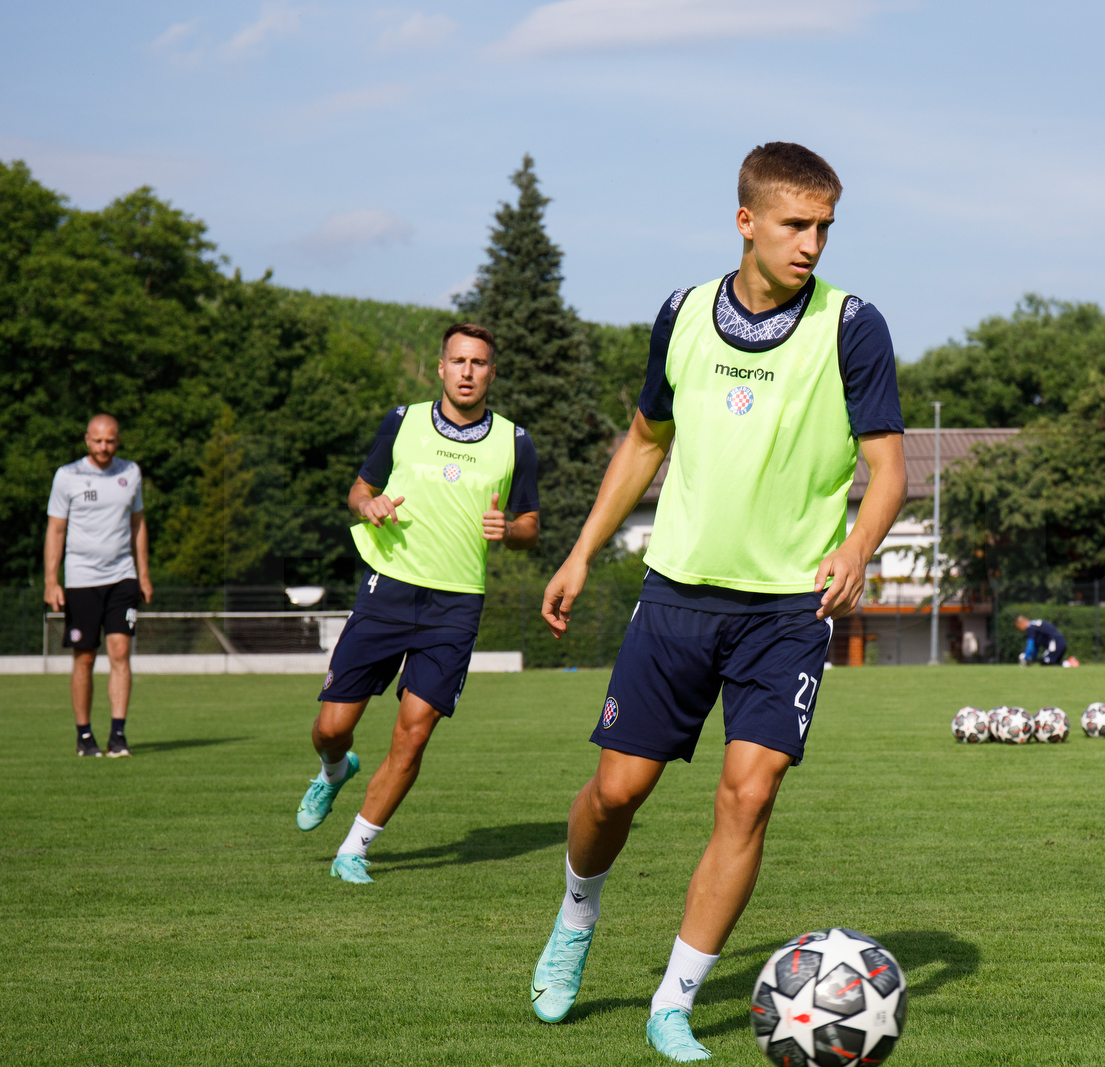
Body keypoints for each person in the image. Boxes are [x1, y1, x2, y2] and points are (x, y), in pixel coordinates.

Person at [531, 143, 907, 1062]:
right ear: (747, 222)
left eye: (825, 226)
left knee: (749, 792)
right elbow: (644, 441)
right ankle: (577, 914)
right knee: (618, 792)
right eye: (795, 224)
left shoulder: (852, 325)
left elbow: (888, 468)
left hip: (788, 609)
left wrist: (858, 545)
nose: (812, 243)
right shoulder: (683, 313)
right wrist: (580, 552)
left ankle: (674, 1000)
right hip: (677, 597)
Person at [292, 323, 540, 884]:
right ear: (441, 368)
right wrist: (368, 505)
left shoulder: (515, 441)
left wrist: (513, 530)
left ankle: (354, 849)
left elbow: (530, 526)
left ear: (492, 373)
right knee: (332, 727)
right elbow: (359, 488)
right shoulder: (401, 422)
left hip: (456, 605)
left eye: (479, 363)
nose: (468, 372)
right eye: (458, 361)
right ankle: (333, 771)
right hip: (389, 588)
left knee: (414, 730)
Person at [44, 414, 152, 758]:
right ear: (87, 440)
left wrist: (144, 575)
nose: (104, 447)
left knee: (120, 652)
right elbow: (56, 530)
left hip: (122, 576)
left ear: (117, 440)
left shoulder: (130, 473)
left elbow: (138, 525)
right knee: (85, 657)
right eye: (98, 441)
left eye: (110, 440)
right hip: (81, 580)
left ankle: (118, 736)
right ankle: (84, 736)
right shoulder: (67, 476)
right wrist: (51, 580)